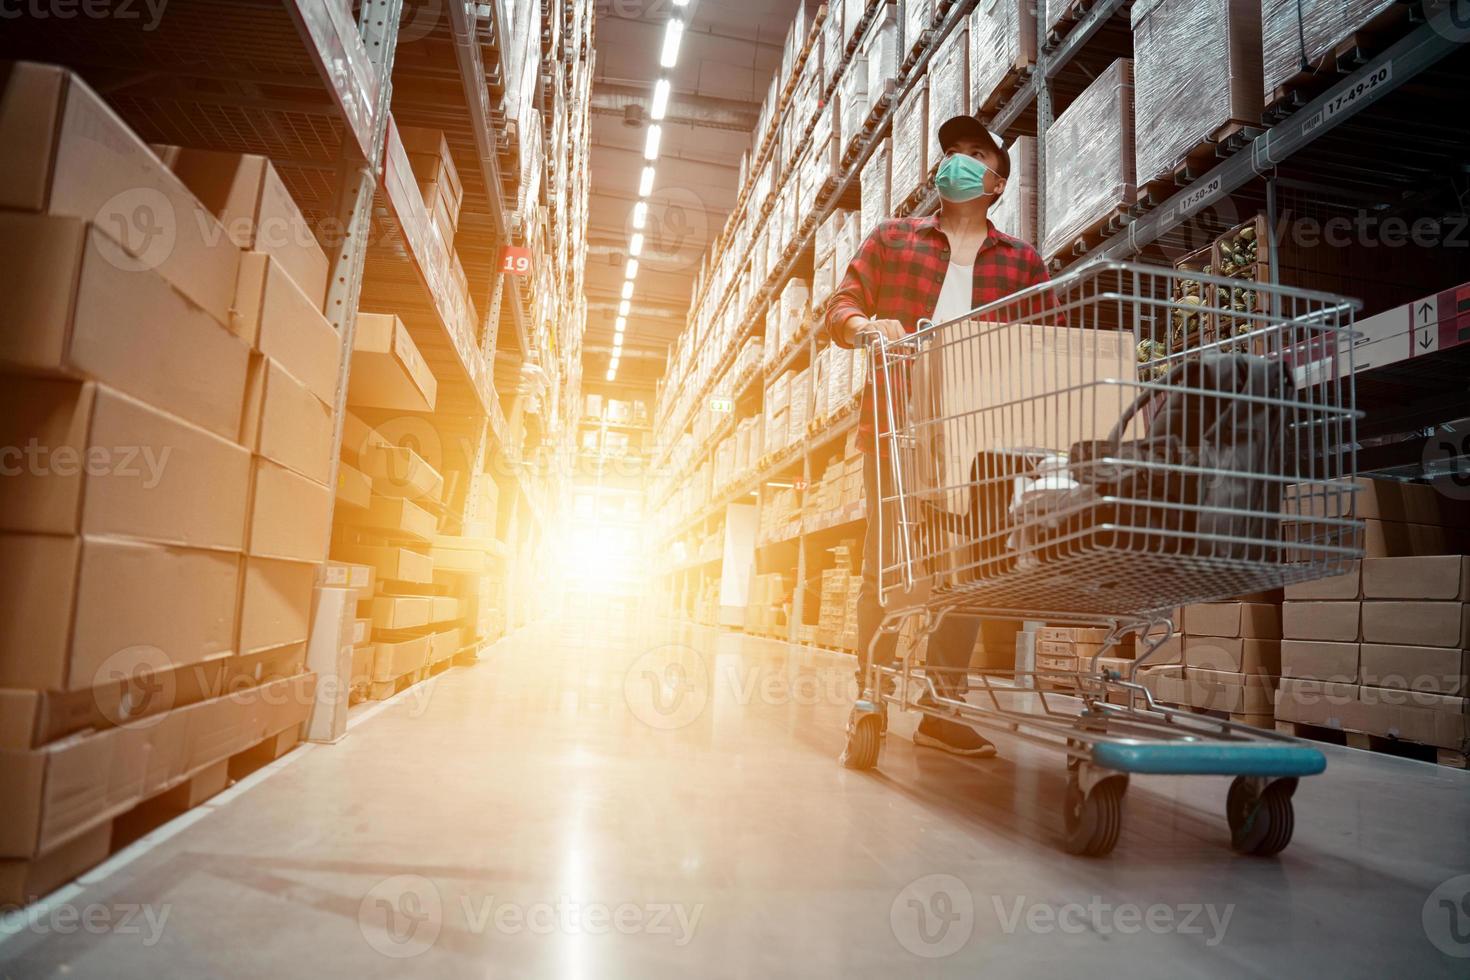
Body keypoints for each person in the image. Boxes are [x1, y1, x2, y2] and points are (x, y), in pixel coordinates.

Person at [825, 115, 1053, 758]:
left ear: (998, 182)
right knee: (888, 563)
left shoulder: (1022, 263)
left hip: (982, 438)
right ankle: (870, 692)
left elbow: (1046, 347)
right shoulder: (894, 240)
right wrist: (867, 327)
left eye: (976, 154)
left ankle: (941, 707)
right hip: (899, 423)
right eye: (952, 151)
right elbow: (840, 305)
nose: (957, 160)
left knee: (974, 570)